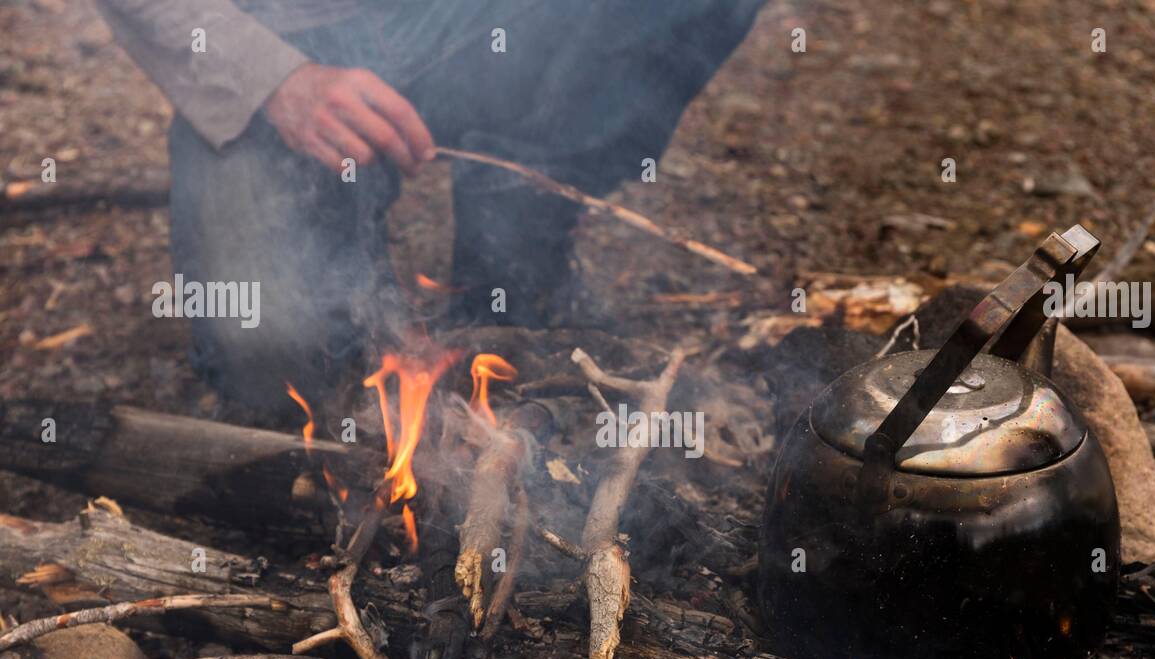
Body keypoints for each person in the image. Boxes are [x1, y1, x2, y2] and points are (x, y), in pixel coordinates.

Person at [96, 0, 765, 415]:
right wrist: (273, 80)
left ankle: (518, 240)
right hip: (273, 36)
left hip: (483, 20)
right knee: (277, 357)